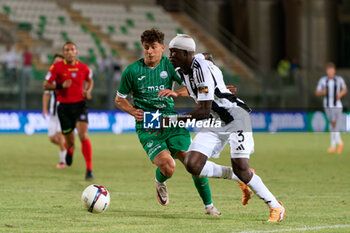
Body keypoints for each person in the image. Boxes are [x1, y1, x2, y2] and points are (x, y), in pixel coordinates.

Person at [115, 28, 251, 216]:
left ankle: (209, 206)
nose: (149, 51)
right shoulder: (131, 71)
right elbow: (119, 99)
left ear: (162, 48)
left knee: (194, 162)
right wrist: (132, 110)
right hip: (149, 124)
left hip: (171, 119)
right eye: (146, 47)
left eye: (153, 47)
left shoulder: (170, 66)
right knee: (168, 167)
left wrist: (187, 91)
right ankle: (160, 181)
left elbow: (194, 86)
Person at [158, 34, 285, 222]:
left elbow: (202, 112)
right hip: (215, 119)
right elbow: (207, 55)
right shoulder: (187, 64)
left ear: (186, 53)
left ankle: (275, 206)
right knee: (193, 165)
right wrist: (219, 86)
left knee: (242, 168)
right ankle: (239, 177)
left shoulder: (198, 71)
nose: (170, 56)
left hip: (235, 117)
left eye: (174, 52)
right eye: (170, 52)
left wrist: (171, 120)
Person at [43, 42, 94, 180]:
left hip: (80, 105)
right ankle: (70, 150)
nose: (70, 52)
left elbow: (90, 80)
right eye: (67, 50)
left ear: (76, 52)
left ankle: (89, 169)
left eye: (72, 49)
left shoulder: (83, 67)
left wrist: (87, 91)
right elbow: (46, 85)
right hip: (64, 108)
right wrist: (60, 85)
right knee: (70, 141)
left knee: (83, 135)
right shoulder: (56, 67)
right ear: (64, 53)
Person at [315, 62, 347, 154]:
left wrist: (340, 94)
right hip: (327, 105)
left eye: (332, 71)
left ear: (334, 71)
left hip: (337, 105)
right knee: (333, 125)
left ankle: (336, 144)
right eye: (329, 71)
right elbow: (317, 92)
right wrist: (322, 92)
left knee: (334, 125)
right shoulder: (323, 81)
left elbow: (345, 89)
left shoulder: (339, 80)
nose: (330, 72)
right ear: (326, 71)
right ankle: (336, 144)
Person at [42, 54, 67, 168]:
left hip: (63, 110)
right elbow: (46, 94)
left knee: (59, 134)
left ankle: (63, 161)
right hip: (53, 112)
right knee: (52, 138)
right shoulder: (50, 77)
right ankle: (67, 148)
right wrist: (44, 108)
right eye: (55, 61)